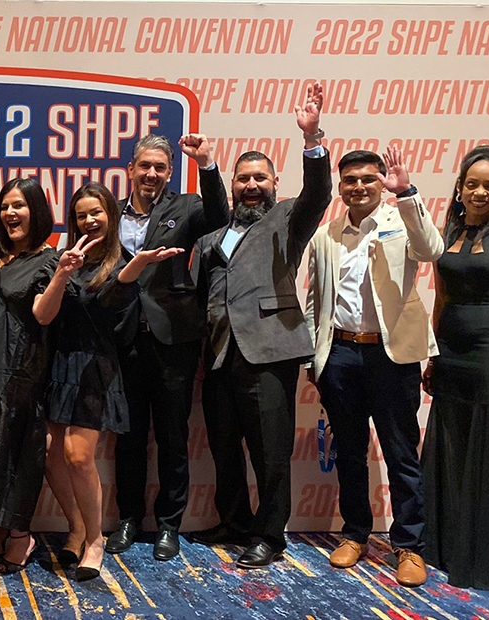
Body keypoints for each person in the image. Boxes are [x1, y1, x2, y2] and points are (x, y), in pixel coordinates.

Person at [188, 83, 332, 569]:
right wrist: (206, 164)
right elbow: (211, 210)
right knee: (225, 447)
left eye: (259, 178)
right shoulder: (217, 231)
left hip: (269, 352)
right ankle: (234, 520)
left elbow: (318, 194)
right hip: (220, 353)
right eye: (242, 179)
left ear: (274, 183)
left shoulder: (288, 220)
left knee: (270, 453)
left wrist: (312, 141)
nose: (251, 185)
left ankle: (271, 535)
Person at [304, 147, 442, 587]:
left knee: (401, 453)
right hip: (340, 355)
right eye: (350, 180)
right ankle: (355, 534)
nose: (359, 187)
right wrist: (314, 358)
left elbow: (432, 249)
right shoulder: (325, 235)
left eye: (368, 179)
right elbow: (314, 302)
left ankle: (409, 545)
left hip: (391, 354)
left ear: (382, 181)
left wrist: (408, 195)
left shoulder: (402, 220)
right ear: (340, 186)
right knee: (348, 452)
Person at [35, 182, 182, 581]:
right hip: (60, 362)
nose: (89, 220)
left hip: (97, 365)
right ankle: (76, 526)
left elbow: (111, 301)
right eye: (81, 215)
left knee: (78, 456)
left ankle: (96, 538)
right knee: (49, 450)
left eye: (96, 213)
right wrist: (62, 273)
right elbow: (44, 316)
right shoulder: (63, 259)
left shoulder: (122, 261)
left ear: (111, 217)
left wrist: (135, 268)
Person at [109, 133, 229, 561]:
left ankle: (168, 525)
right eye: (145, 166)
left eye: (161, 167)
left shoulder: (187, 207)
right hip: (121, 340)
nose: (152, 174)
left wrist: (209, 164)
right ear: (131, 169)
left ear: (170, 172)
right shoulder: (109, 212)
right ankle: (127, 518)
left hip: (174, 340)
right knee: (128, 437)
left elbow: (219, 215)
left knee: (174, 437)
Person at [422, 144, 489, 596]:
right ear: (459, 188)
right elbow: (440, 298)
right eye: (472, 184)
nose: (480, 192)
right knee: (453, 440)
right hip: (452, 350)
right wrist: (433, 352)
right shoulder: (448, 234)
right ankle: (448, 545)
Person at [0, 178, 57, 573]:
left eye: (19, 205)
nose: (10, 213)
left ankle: (21, 534)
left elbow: (43, 315)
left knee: (20, 458)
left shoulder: (48, 260)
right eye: (5, 206)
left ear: (36, 211)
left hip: (21, 372)